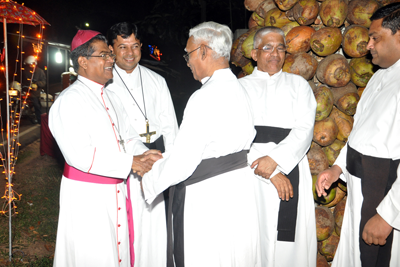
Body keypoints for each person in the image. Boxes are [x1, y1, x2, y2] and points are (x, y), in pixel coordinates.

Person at [141, 21, 260, 267]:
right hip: (239, 189)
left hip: (209, 197)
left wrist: (150, 180)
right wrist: (165, 158)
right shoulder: (240, 88)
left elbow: (185, 161)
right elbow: (213, 146)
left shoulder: (204, 96)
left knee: (210, 255)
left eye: (189, 53)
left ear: (204, 51)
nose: (188, 61)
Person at [49, 29, 161, 267]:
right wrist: (130, 163)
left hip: (116, 192)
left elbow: (128, 138)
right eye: (104, 55)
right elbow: (79, 155)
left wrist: (143, 153)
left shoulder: (111, 97)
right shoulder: (68, 101)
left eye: (110, 54)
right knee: (93, 253)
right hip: (87, 197)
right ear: (82, 61)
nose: (112, 60)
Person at [316, 3, 400, 267]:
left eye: (375, 37)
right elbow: (360, 130)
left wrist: (389, 215)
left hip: (384, 195)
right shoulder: (380, 76)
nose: (368, 45)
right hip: (362, 190)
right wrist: (338, 168)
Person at [239, 26, 317, 266]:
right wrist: (270, 170)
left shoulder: (299, 86)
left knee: (289, 246)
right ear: (254, 54)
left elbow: (305, 130)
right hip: (249, 169)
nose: (275, 54)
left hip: (290, 165)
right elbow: (235, 135)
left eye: (280, 48)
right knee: (253, 235)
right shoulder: (238, 88)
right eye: (267, 48)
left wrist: (276, 160)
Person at [107, 22, 178, 267]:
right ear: (111, 49)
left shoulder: (156, 80)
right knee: (129, 221)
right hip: (126, 158)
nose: (130, 53)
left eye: (135, 46)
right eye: (122, 46)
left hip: (157, 157)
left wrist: (170, 161)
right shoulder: (106, 83)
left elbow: (170, 125)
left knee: (156, 220)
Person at [22, 55, 45, 124]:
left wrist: (37, 84)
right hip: (26, 90)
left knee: (36, 105)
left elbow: (44, 82)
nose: (30, 66)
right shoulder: (25, 71)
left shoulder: (40, 72)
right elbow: (23, 80)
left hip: (35, 93)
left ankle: (39, 120)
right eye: (29, 65)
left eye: (31, 64)